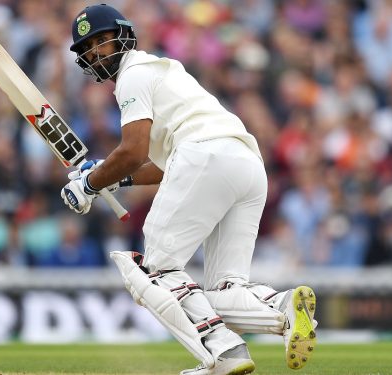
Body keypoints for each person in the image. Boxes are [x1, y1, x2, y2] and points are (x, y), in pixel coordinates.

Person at [59, 4, 318, 374]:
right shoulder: (163, 71)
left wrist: (88, 184)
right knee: (224, 289)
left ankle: (222, 352)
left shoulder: (133, 75)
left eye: (102, 40)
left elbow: (132, 151)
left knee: (154, 273)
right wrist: (110, 176)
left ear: (123, 35)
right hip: (245, 163)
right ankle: (282, 306)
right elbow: (164, 166)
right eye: (88, 46)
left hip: (205, 157)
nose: (97, 50)